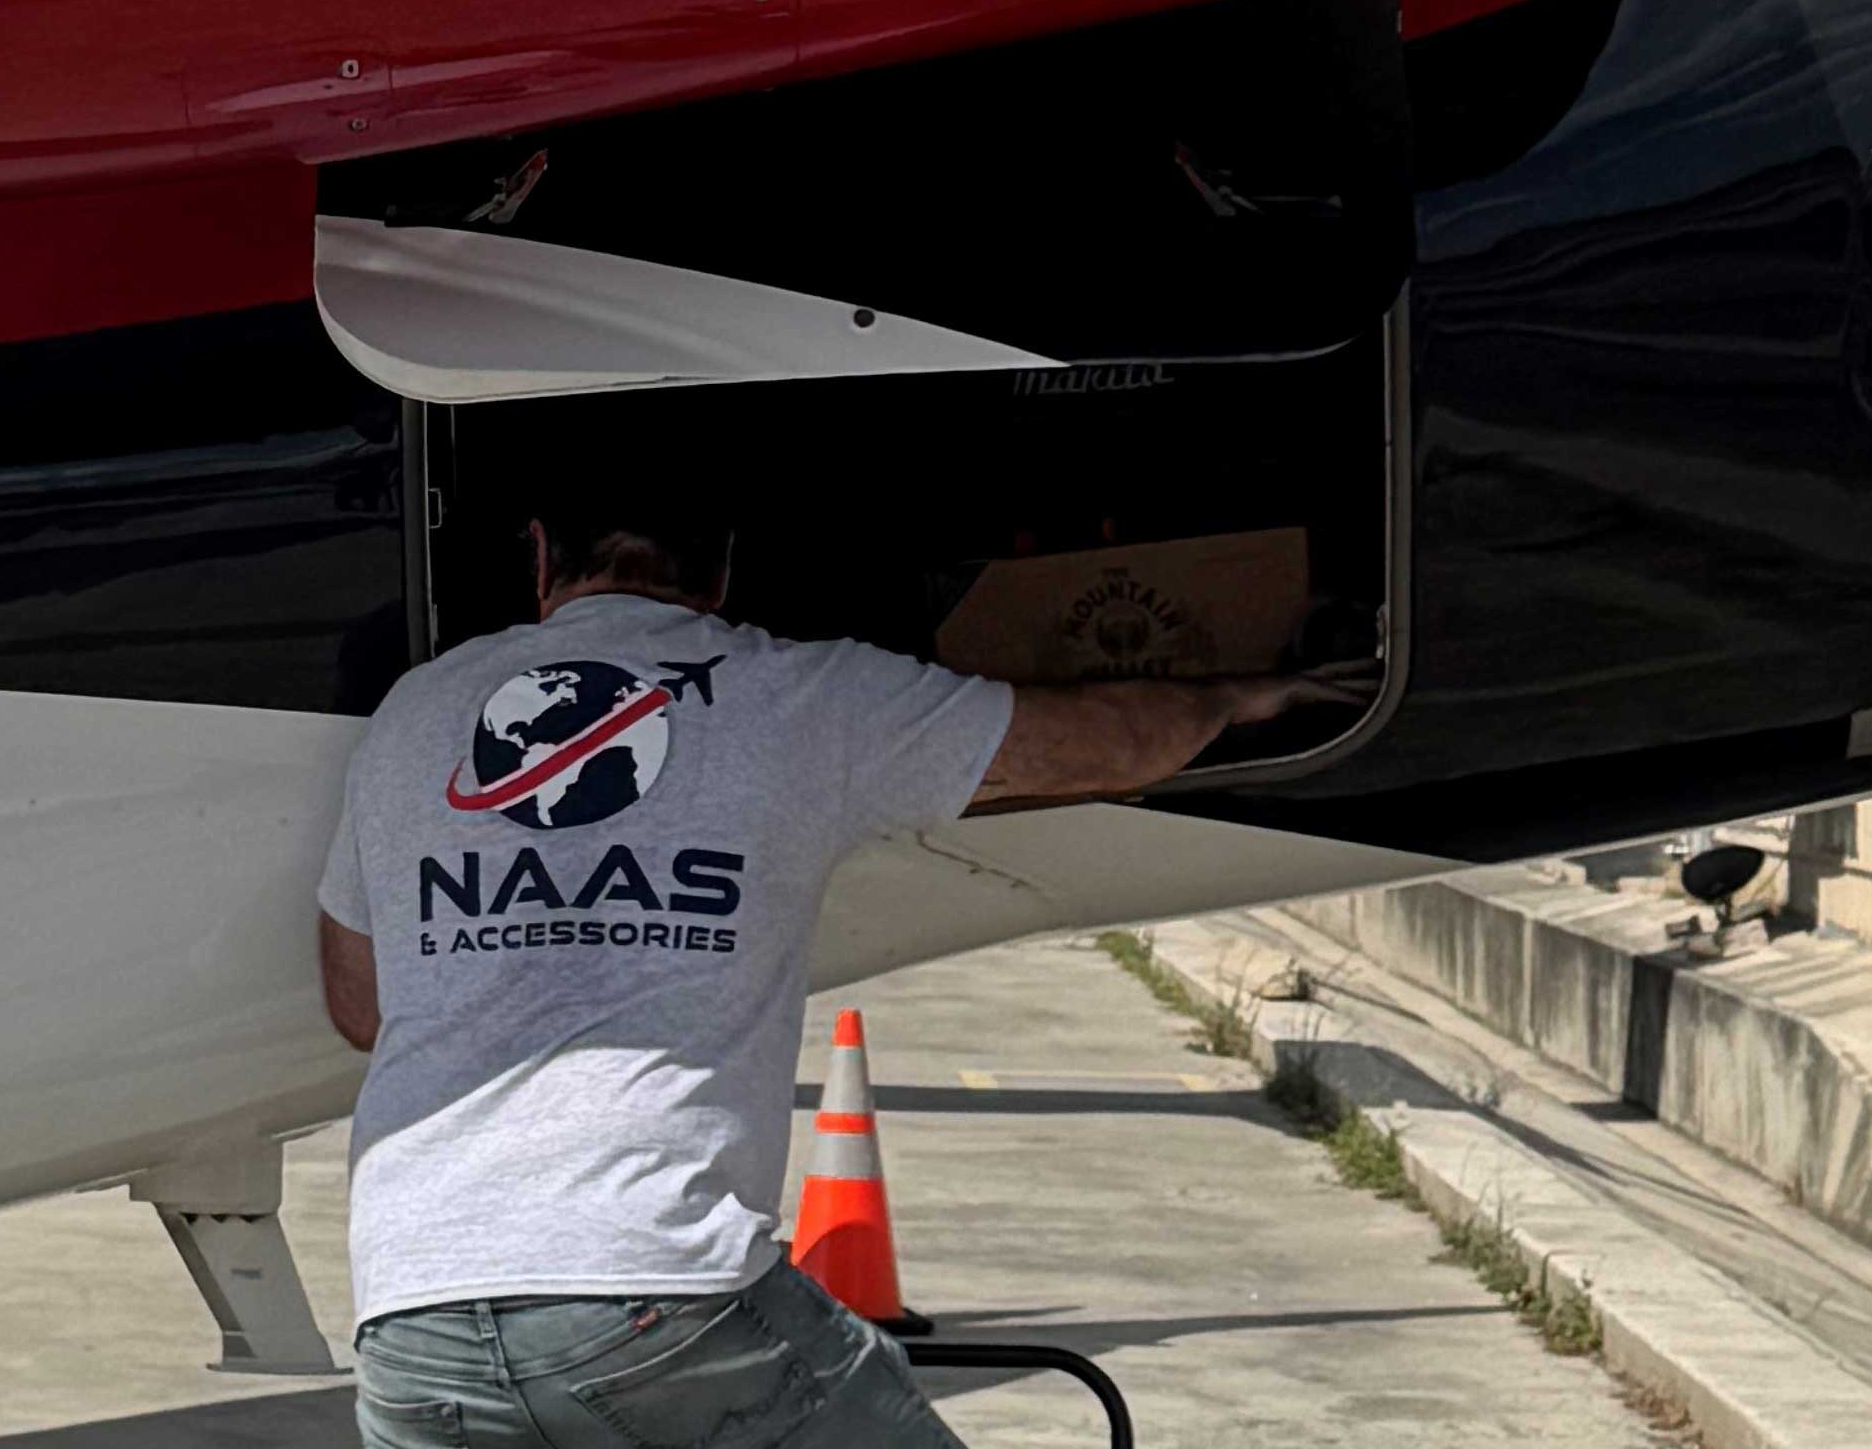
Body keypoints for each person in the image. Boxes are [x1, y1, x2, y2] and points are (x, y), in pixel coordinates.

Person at [314, 476, 1346, 1448]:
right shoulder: (797, 695)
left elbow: (361, 1006)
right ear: (721, 573)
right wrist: (1235, 694)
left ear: (540, 558)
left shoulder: (417, 714)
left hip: (414, 1319)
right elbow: (1110, 745)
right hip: (652, 1290)